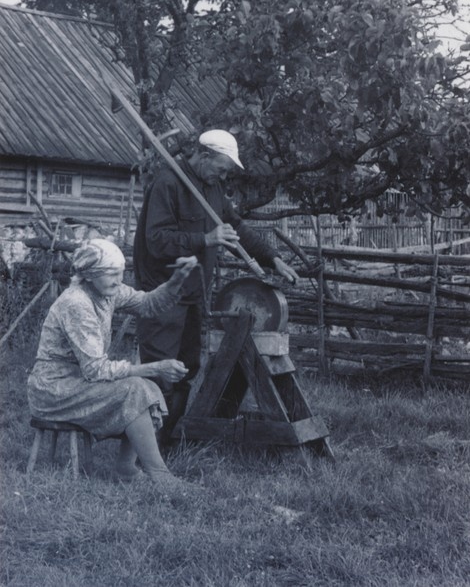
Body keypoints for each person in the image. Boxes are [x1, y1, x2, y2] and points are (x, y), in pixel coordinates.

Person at [133, 129, 299, 440]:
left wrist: (271, 258)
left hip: (195, 293)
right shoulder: (169, 184)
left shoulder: (211, 188)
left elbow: (235, 226)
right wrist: (205, 239)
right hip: (162, 295)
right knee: (160, 371)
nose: (223, 175)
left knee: (186, 368)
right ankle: (145, 449)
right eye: (221, 168)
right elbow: (155, 241)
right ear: (204, 155)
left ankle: (167, 440)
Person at [27, 238, 198, 491]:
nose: (118, 281)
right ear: (90, 274)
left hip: (78, 382)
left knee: (145, 386)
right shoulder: (77, 303)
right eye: (111, 275)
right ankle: (159, 475)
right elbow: (96, 369)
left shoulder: (107, 293)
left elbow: (149, 304)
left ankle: (126, 469)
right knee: (135, 388)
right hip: (54, 389)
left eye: (121, 274)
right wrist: (155, 367)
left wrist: (176, 280)